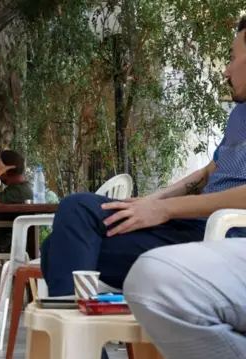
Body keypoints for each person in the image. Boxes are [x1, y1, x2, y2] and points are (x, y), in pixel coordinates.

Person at [123, 17, 246, 359]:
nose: (225, 71)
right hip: (202, 227)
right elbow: (211, 170)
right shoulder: (239, 116)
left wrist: (163, 209)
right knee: (87, 217)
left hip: (230, 233)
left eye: (233, 57)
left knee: (153, 279)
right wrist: (150, 201)